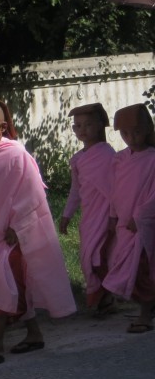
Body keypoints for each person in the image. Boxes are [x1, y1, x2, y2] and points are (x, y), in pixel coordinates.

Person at [0, 99, 76, 363]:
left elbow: (32, 192)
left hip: (16, 234)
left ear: (2, 126)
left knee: (4, 282)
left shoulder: (16, 154)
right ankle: (34, 333)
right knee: (4, 283)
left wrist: (18, 225)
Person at [58, 103, 117, 315]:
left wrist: (114, 216)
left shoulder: (108, 155)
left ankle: (105, 297)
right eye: (77, 126)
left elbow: (114, 190)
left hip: (106, 214)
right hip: (89, 217)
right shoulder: (78, 159)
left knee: (99, 256)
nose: (82, 130)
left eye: (88, 124)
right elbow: (76, 190)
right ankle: (102, 297)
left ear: (100, 126)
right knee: (87, 257)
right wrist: (66, 215)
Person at [103, 103, 155, 332]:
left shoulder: (153, 158)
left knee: (143, 268)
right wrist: (113, 216)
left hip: (145, 224)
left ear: (148, 130)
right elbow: (115, 190)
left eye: (136, 131)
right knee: (124, 266)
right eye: (125, 133)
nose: (131, 138)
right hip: (124, 224)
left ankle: (145, 314)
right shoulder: (119, 159)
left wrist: (141, 216)